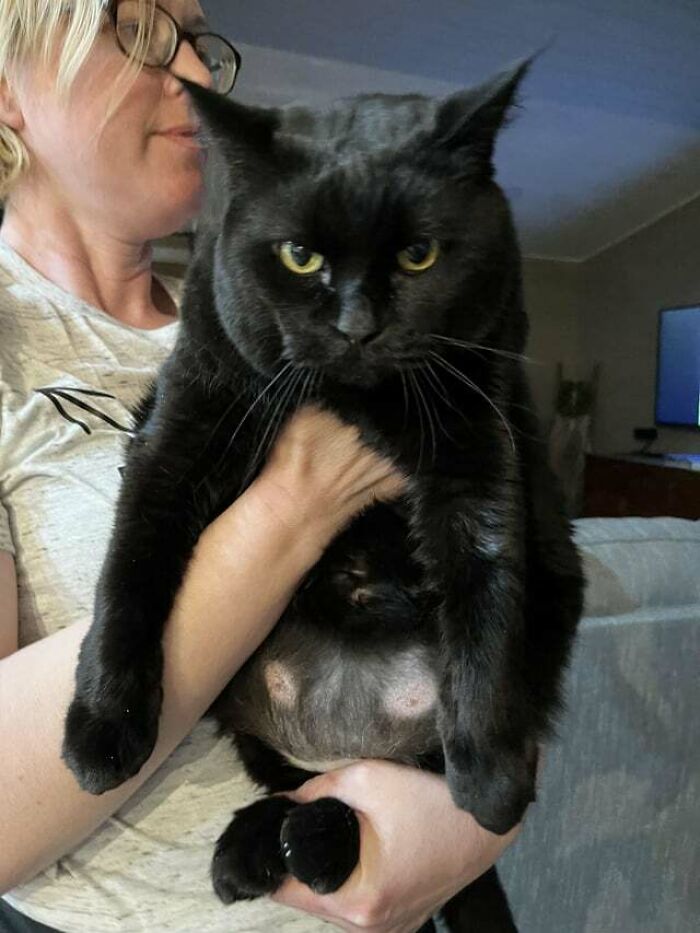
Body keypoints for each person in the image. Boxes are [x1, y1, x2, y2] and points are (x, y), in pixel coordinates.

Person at [0, 2, 522, 931]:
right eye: (136, 30)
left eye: (200, 41)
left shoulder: (291, 306)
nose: (196, 78)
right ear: (8, 92)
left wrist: (475, 821)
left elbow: (495, 563)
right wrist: (295, 501)